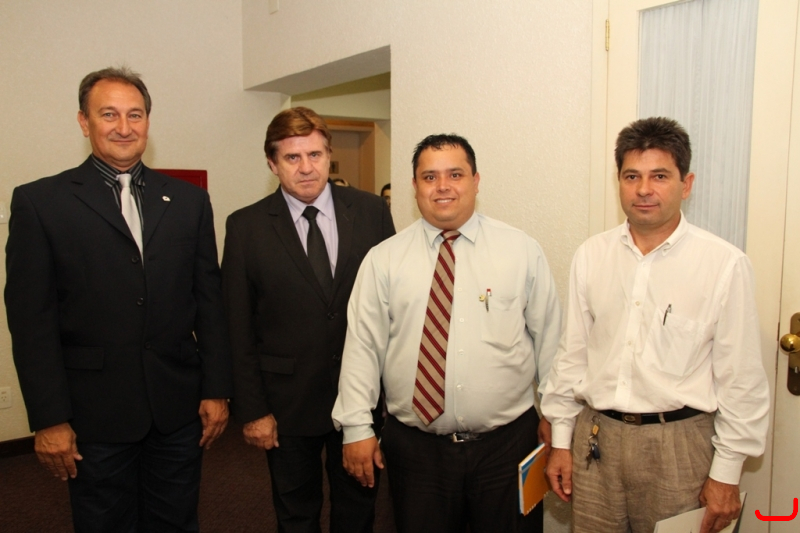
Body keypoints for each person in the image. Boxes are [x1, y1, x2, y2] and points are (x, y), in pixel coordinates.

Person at [5, 66, 232, 532]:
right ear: (83, 122)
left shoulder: (189, 201)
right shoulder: (40, 202)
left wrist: (216, 388)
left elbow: (209, 301)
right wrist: (50, 418)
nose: (124, 127)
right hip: (93, 415)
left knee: (176, 521)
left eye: (135, 114)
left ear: (148, 121)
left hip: (176, 409)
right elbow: (31, 323)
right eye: (108, 114)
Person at [541, 117, 770, 533]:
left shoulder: (723, 264)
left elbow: (742, 380)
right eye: (632, 176)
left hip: (680, 447)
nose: (644, 189)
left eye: (659, 176)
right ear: (619, 182)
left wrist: (727, 473)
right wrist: (560, 441)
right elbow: (572, 355)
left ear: (686, 184)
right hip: (596, 439)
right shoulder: (591, 255)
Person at [332, 134, 562, 533]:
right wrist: (356, 427)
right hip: (416, 451)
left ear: (476, 181)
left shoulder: (521, 251)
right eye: (429, 177)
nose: (443, 186)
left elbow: (552, 344)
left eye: (455, 174)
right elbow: (362, 348)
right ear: (414, 186)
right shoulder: (383, 260)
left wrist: (560, 421)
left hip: (507, 447)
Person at [222, 106, 395, 533]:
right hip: (286, 405)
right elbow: (237, 327)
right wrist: (253, 411)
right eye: (292, 157)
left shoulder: (371, 212)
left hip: (360, 398)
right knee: (296, 514)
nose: (306, 168)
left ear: (328, 155)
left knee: (358, 511)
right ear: (272, 163)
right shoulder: (245, 227)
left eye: (315, 155)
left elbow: (394, 306)